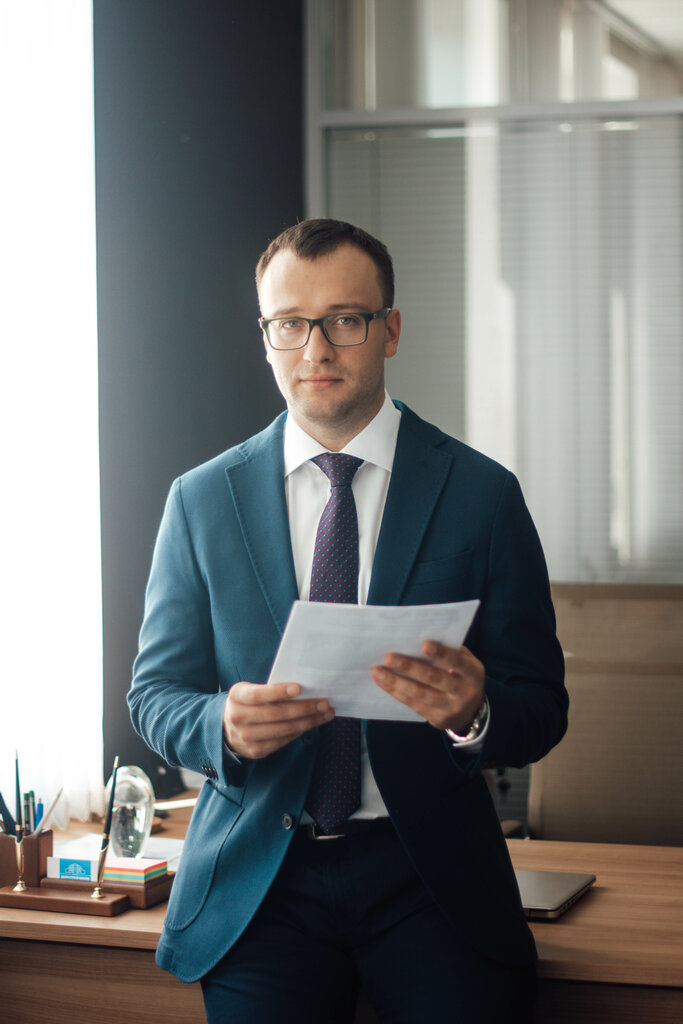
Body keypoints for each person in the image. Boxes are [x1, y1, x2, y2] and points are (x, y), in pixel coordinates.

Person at [128, 218, 568, 1023]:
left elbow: (540, 705)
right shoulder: (199, 501)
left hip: (428, 877)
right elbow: (154, 693)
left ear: (389, 329)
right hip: (264, 881)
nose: (316, 350)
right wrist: (219, 724)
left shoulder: (481, 495)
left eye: (345, 320)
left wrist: (476, 715)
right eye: (289, 325)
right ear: (266, 337)